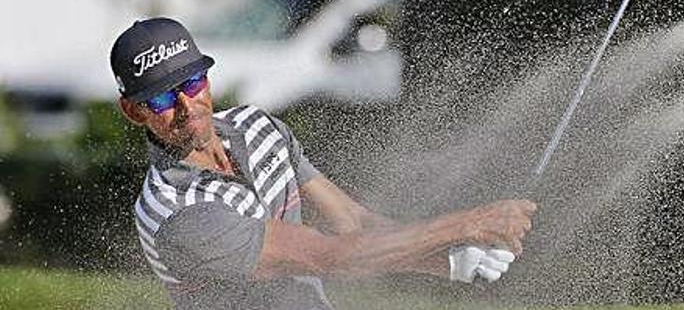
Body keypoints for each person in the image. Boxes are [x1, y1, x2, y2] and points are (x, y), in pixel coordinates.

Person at [110, 17, 537, 310]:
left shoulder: (257, 126)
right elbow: (327, 255)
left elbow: (354, 224)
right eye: (163, 98)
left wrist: (447, 258)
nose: (188, 106)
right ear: (134, 111)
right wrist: (467, 224)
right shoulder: (176, 213)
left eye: (192, 82)